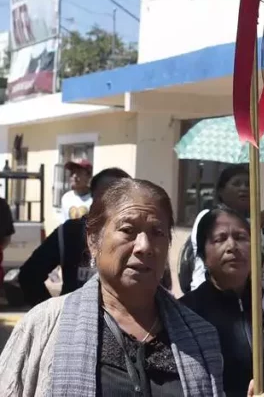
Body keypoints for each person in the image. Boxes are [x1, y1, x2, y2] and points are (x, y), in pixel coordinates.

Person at [0, 178, 228, 395]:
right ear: (93, 240)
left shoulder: (200, 335)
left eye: (157, 233)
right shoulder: (43, 325)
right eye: (128, 230)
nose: (144, 246)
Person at [182, 205, 264, 396]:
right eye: (220, 239)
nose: (232, 246)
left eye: (241, 237)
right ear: (202, 255)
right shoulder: (186, 312)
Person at [18, 167, 132, 306]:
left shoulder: (141, 237)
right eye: (107, 195)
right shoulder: (70, 232)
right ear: (94, 197)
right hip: (73, 323)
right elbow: (29, 275)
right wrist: (54, 314)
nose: (114, 203)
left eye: (121, 197)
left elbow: (157, 286)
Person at [178, 164, 264, 293]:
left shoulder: (260, 222)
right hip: (212, 299)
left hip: (254, 301)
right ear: (221, 191)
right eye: (236, 184)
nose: (244, 188)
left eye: (248, 184)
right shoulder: (208, 217)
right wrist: (254, 225)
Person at [59, 158, 93, 223]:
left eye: (78, 172)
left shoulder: (96, 199)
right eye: (72, 172)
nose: (74, 176)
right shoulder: (66, 198)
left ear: (88, 176)